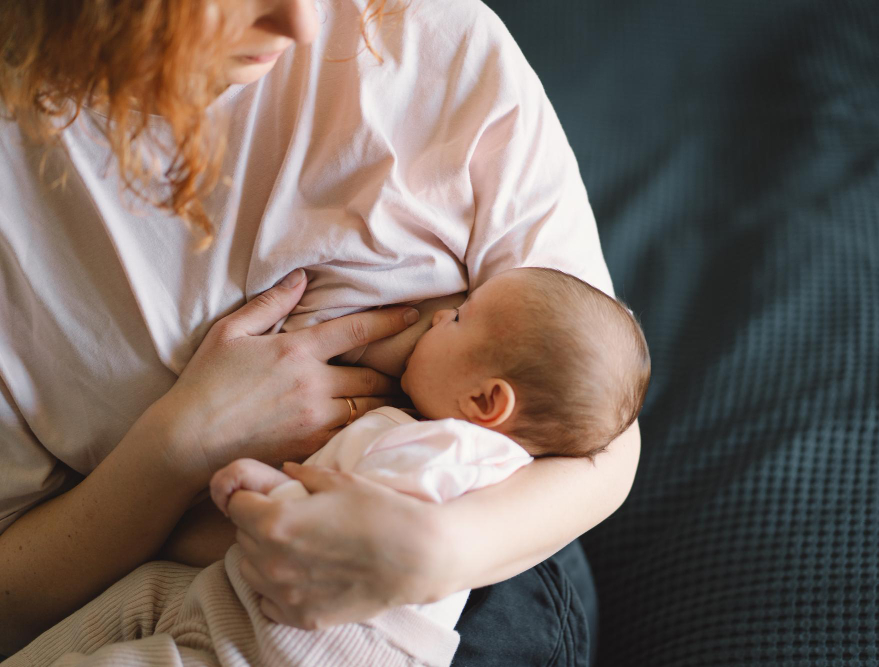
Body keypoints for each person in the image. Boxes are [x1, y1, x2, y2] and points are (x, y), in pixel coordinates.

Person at [0, 0, 642, 662]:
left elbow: (603, 440)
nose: (304, 24)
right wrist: (180, 442)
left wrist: (429, 552)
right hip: (150, 595)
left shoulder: (430, 39)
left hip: (463, 579)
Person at [5, 267, 650, 666]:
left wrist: (249, 486)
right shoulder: (452, 445)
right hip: (235, 598)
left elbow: (332, 529)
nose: (436, 318)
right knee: (136, 603)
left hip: (311, 641)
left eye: (456, 318)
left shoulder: (445, 455)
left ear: (487, 400)